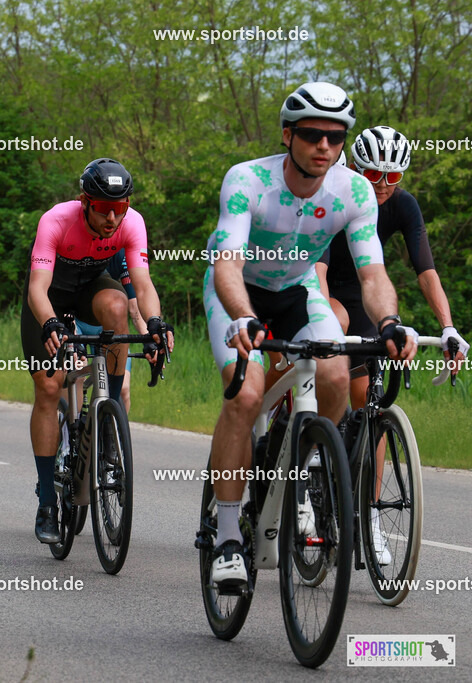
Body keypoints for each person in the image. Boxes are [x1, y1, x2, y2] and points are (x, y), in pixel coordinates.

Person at [204, 82, 416, 590]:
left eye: (335, 136)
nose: (325, 146)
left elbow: (372, 274)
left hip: (297, 289)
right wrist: (241, 316)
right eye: (313, 134)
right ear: (288, 135)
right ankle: (228, 537)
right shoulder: (247, 181)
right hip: (238, 292)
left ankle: (299, 468)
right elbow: (227, 263)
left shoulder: (355, 190)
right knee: (248, 393)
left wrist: (388, 323)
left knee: (336, 373)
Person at [315, 125, 469, 564]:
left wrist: (449, 326)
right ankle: (305, 469)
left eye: (393, 177)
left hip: (366, 295)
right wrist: (324, 322)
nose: (383, 186)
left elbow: (426, 269)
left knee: (371, 403)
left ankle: (370, 516)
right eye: (373, 174)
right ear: (354, 168)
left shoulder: (402, 205)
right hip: (325, 291)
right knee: (330, 347)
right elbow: (320, 269)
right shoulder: (337, 196)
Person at [21, 158, 173, 543]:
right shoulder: (56, 221)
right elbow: (38, 287)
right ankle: (46, 502)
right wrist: (51, 323)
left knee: (118, 306)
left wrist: (155, 323)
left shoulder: (132, 223)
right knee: (49, 388)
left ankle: (108, 414)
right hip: (50, 297)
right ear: (84, 202)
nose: (112, 218)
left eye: (119, 208)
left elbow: (142, 282)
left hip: (90, 287)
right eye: (104, 208)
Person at [74, 249, 148, 410]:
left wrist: (149, 338)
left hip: (105, 324)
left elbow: (135, 309)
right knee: (77, 375)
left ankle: (114, 432)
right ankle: (74, 430)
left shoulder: (122, 254)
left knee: (123, 389)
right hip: (76, 321)